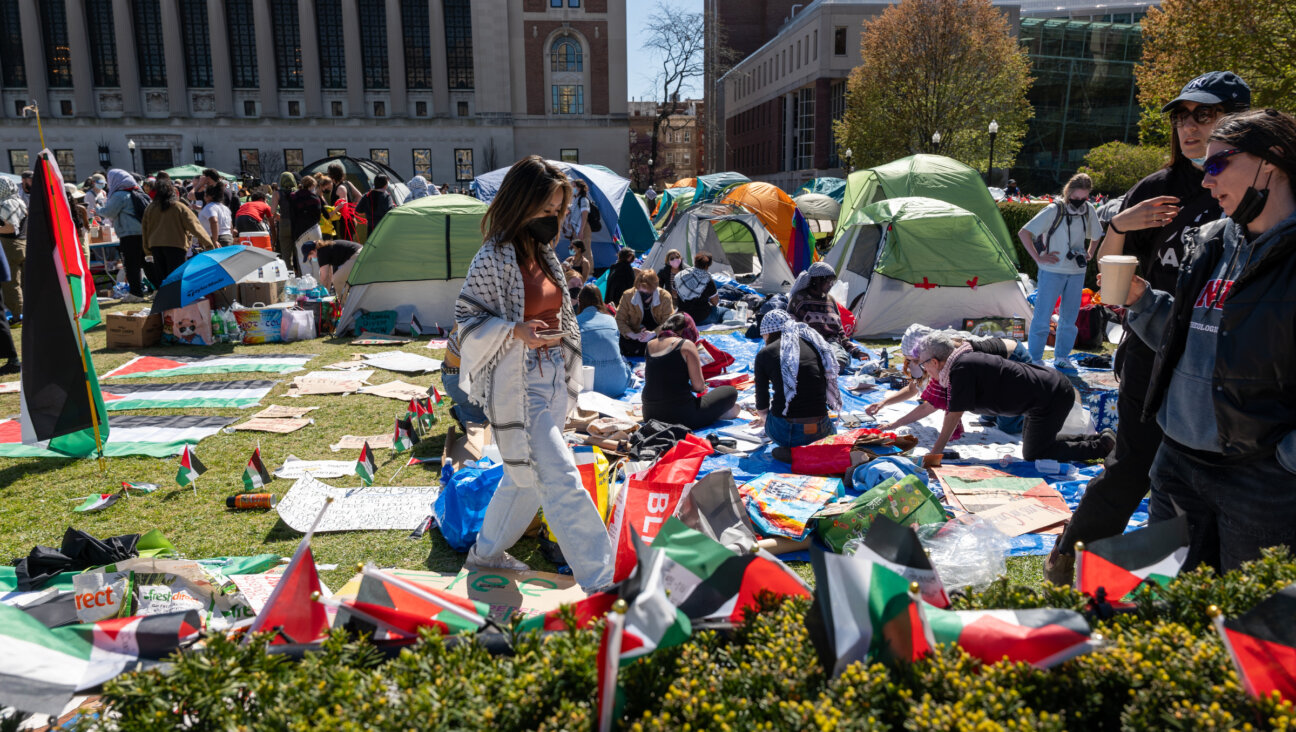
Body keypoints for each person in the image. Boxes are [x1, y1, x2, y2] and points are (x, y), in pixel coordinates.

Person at [1046, 71, 1252, 585]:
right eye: (1182, 116)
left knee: (1207, 475)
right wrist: (1118, 226)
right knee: (1135, 465)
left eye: (1204, 115)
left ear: (1239, 121)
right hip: (1153, 347)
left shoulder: (1254, 189)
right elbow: (1110, 283)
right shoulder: (1159, 189)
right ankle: (1071, 560)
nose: (1189, 127)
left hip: (1226, 359)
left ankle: (1190, 582)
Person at [1111, 109, 1296, 573]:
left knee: (1249, 628)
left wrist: (1285, 461)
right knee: (1164, 612)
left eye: (1217, 165)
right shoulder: (1214, 241)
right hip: (1176, 462)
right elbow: (1188, 340)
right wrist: (1142, 302)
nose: (1207, 182)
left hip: (1261, 479)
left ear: (1270, 161)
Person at [454, 155, 613, 592]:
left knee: (522, 477)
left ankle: (484, 555)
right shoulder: (493, 258)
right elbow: (466, 318)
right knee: (560, 477)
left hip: (548, 376)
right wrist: (515, 331)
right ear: (521, 204)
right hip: (515, 384)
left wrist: (554, 338)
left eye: (558, 211)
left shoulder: (545, 255)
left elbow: (555, 310)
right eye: (546, 210)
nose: (553, 219)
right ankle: (603, 582)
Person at [888, 332, 1114, 468]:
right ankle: (1096, 439)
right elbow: (940, 405)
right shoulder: (959, 363)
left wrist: (935, 453)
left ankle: (1101, 447)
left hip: (1051, 395)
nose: (925, 368)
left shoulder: (960, 369)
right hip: (1043, 394)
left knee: (1035, 453)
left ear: (936, 362)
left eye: (924, 363)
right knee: (1036, 443)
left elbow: (953, 414)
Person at [867, 324, 1031, 435]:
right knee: (987, 415)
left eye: (916, 360)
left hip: (1016, 359)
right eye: (909, 360)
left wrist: (896, 424)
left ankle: (1036, 411)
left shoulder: (948, 356)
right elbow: (914, 388)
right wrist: (884, 403)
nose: (914, 365)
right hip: (993, 371)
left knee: (1007, 426)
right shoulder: (930, 357)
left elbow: (931, 404)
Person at [1019, 173, 1102, 370]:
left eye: (1084, 198)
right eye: (1075, 198)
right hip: (1051, 270)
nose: (1079, 202)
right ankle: (1035, 358)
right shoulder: (1053, 210)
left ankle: (1062, 356)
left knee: (1069, 318)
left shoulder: (1087, 209)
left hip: (1076, 271)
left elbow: (1097, 233)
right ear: (1068, 193)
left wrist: (1090, 252)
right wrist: (1039, 258)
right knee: (1042, 316)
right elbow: (1024, 233)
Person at [751, 309, 839, 454]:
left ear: (767, 333)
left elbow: (762, 402)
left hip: (788, 432)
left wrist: (766, 419)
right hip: (822, 427)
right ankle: (808, 453)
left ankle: (793, 453)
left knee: (775, 423)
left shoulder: (765, 354)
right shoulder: (815, 345)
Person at [641, 313, 739, 429]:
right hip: (681, 416)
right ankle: (716, 414)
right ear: (687, 330)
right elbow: (699, 387)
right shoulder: (686, 345)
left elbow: (656, 380)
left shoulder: (650, 344)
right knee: (730, 391)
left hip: (649, 414)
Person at [787, 261, 870, 369]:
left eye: (832, 282)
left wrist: (855, 352)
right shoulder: (799, 299)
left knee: (839, 361)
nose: (831, 285)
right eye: (828, 281)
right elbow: (791, 328)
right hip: (808, 345)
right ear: (817, 280)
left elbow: (840, 332)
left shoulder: (831, 301)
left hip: (832, 345)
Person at [142, 178, 213, 283]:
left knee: (163, 279)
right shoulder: (179, 207)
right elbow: (195, 227)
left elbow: (145, 230)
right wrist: (209, 245)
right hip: (176, 246)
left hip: (156, 247)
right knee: (176, 278)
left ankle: (166, 298)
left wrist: (147, 250)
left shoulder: (150, 208)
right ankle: (177, 298)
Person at [97, 169, 150, 300]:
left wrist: (98, 208)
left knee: (131, 264)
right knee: (147, 263)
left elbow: (109, 212)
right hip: (144, 233)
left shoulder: (119, 195)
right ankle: (156, 289)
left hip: (129, 235)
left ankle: (136, 293)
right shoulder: (137, 191)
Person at [576, 285, 633, 397]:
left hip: (590, 386)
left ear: (579, 301)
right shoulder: (611, 320)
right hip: (619, 384)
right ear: (600, 301)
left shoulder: (576, 322)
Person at [614, 269, 674, 357]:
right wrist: (632, 334)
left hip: (656, 334)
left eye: (647, 292)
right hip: (635, 334)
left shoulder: (665, 297)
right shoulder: (628, 295)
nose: (644, 294)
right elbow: (619, 319)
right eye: (641, 291)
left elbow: (668, 321)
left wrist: (654, 333)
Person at [440, 325, 487, 428]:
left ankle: (462, 411)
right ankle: (466, 416)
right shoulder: (478, 328)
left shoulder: (463, 318)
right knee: (481, 426)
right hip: (460, 381)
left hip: (451, 377)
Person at [674, 252, 726, 325]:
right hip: (702, 318)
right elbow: (715, 302)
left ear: (695, 262)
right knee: (725, 311)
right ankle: (727, 323)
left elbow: (674, 293)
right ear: (708, 266)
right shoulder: (707, 280)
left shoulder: (680, 275)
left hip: (683, 318)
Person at [0, 177, 26, 321]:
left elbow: (10, 228)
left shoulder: (5, 203)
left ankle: (18, 317)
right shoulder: (19, 200)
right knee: (24, 282)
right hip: (23, 244)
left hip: (10, 246)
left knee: (11, 284)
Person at [290, 175, 324, 276]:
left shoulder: (294, 197)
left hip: (300, 231)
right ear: (312, 185)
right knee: (316, 256)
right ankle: (318, 282)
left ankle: (308, 283)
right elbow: (319, 215)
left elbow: (292, 216)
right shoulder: (315, 198)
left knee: (303, 258)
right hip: (314, 228)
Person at [271, 172, 298, 271]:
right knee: (298, 252)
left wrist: (279, 218)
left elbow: (272, 211)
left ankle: (289, 275)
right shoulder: (298, 193)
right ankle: (300, 274)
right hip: (297, 224)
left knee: (286, 254)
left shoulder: (277, 193)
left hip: (284, 224)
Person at [563, 179, 591, 257]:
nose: (572, 188)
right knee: (576, 251)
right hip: (576, 229)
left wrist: (581, 231)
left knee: (585, 251)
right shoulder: (575, 199)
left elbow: (584, 214)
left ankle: (589, 269)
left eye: (574, 186)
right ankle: (578, 268)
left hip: (583, 228)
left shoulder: (583, 199)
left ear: (579, 188)